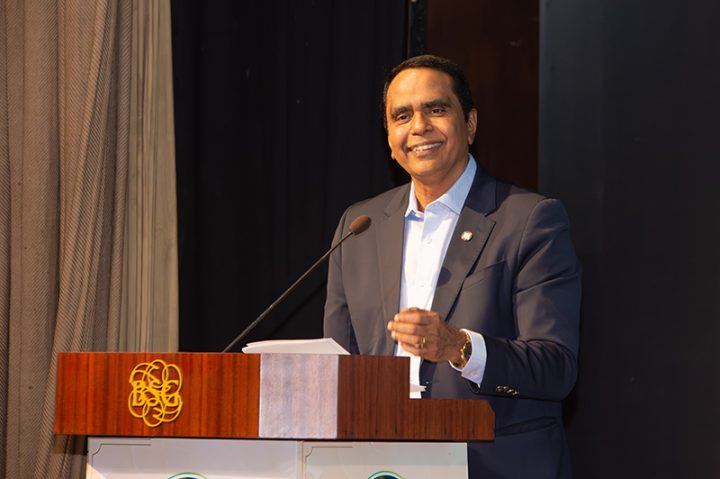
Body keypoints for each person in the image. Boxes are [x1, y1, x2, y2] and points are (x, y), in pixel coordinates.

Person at [323, 54, 581, 478]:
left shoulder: (529, 220)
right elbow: (339, 365)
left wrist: (460, 347)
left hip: (491, 464)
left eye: (436, 109)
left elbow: (555, 367)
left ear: (470, 124)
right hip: (378, 465)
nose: (419, 126)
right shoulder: (359, 227)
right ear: (389, 137)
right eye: (402, 116)